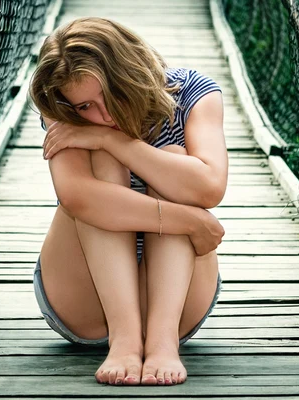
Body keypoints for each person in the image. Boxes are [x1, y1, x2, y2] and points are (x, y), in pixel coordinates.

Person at [28, 17, 228, 386]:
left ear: (129, 72)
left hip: (174, 298)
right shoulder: (65, 111)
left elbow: (209, 188)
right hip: (87, 301)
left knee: (172, 156)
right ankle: (123, 340)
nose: (103, 115)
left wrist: (115, 142)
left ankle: (163, 343)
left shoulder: (193, 93)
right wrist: (187, 221)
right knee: (97, 179)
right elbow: (76, 197)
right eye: (86, 105)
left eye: (111, 95)